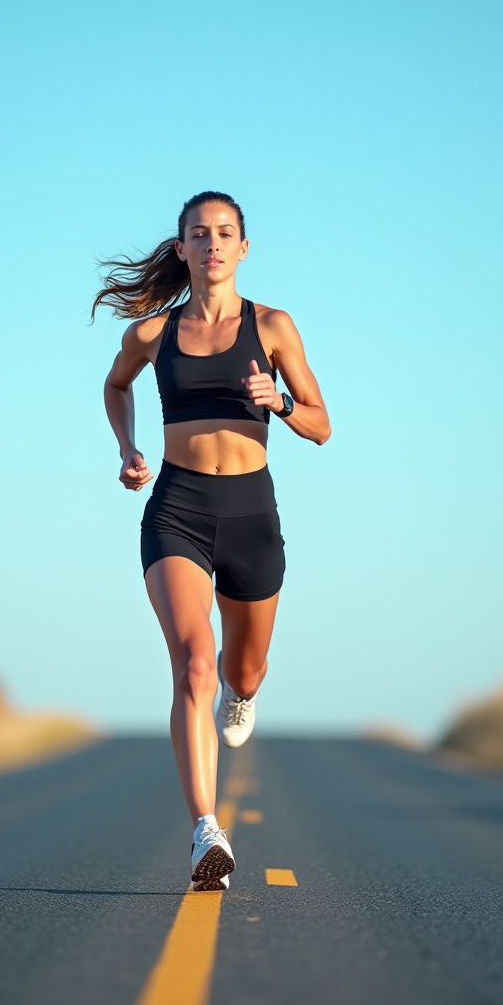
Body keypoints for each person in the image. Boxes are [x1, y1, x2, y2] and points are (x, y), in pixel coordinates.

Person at [97, 191, 330, 891]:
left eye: (225, 233)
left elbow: (322, 424)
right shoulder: (152, 335)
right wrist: (127, 449)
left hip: (252, 513)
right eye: (199, 234)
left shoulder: (274, 327)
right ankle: (206, 831)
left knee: (242, 672)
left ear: (243, 248)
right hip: (178, 509)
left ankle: (242, 689)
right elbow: (116, 386)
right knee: (194, 661)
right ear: (182, 249)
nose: (213, 244)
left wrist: (280, 404)